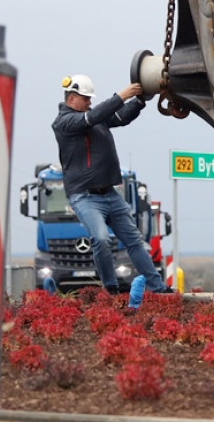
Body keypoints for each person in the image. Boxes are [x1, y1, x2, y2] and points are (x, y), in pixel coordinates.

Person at [52, 73, 173, 295]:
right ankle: (111, 290)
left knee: (135, 241)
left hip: (109, 194)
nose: (89, 102)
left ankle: (159, 289)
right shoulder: (64, 123)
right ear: (71, 99)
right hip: (84, 196)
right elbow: (92, 117)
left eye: (90, 99)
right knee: (100, 239)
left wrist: (140, 99)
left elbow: (119, 117)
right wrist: (122, 95)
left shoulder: (93, 117)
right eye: (86, 99)